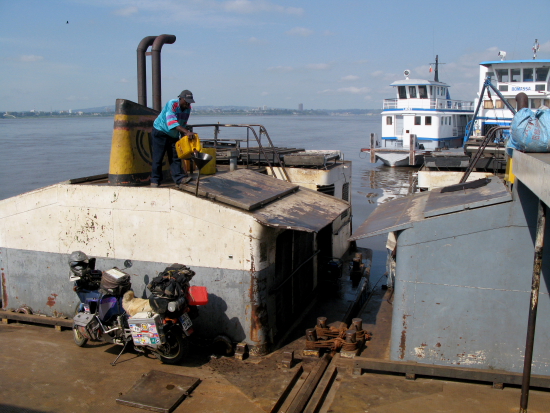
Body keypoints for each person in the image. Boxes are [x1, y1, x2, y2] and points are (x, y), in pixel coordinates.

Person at [150, 89, 196, 187]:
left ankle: (179, 179)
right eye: (186, 102)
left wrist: (184, 137)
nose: (188, 105)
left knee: (175, 157)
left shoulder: (188, 108)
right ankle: (155, 181)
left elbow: (183, 123)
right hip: (161, 131)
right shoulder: (172, 104)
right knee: (158, 157)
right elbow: (172, 123)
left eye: (189, 103)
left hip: (173, 134)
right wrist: (187, 132)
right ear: (181, 99)